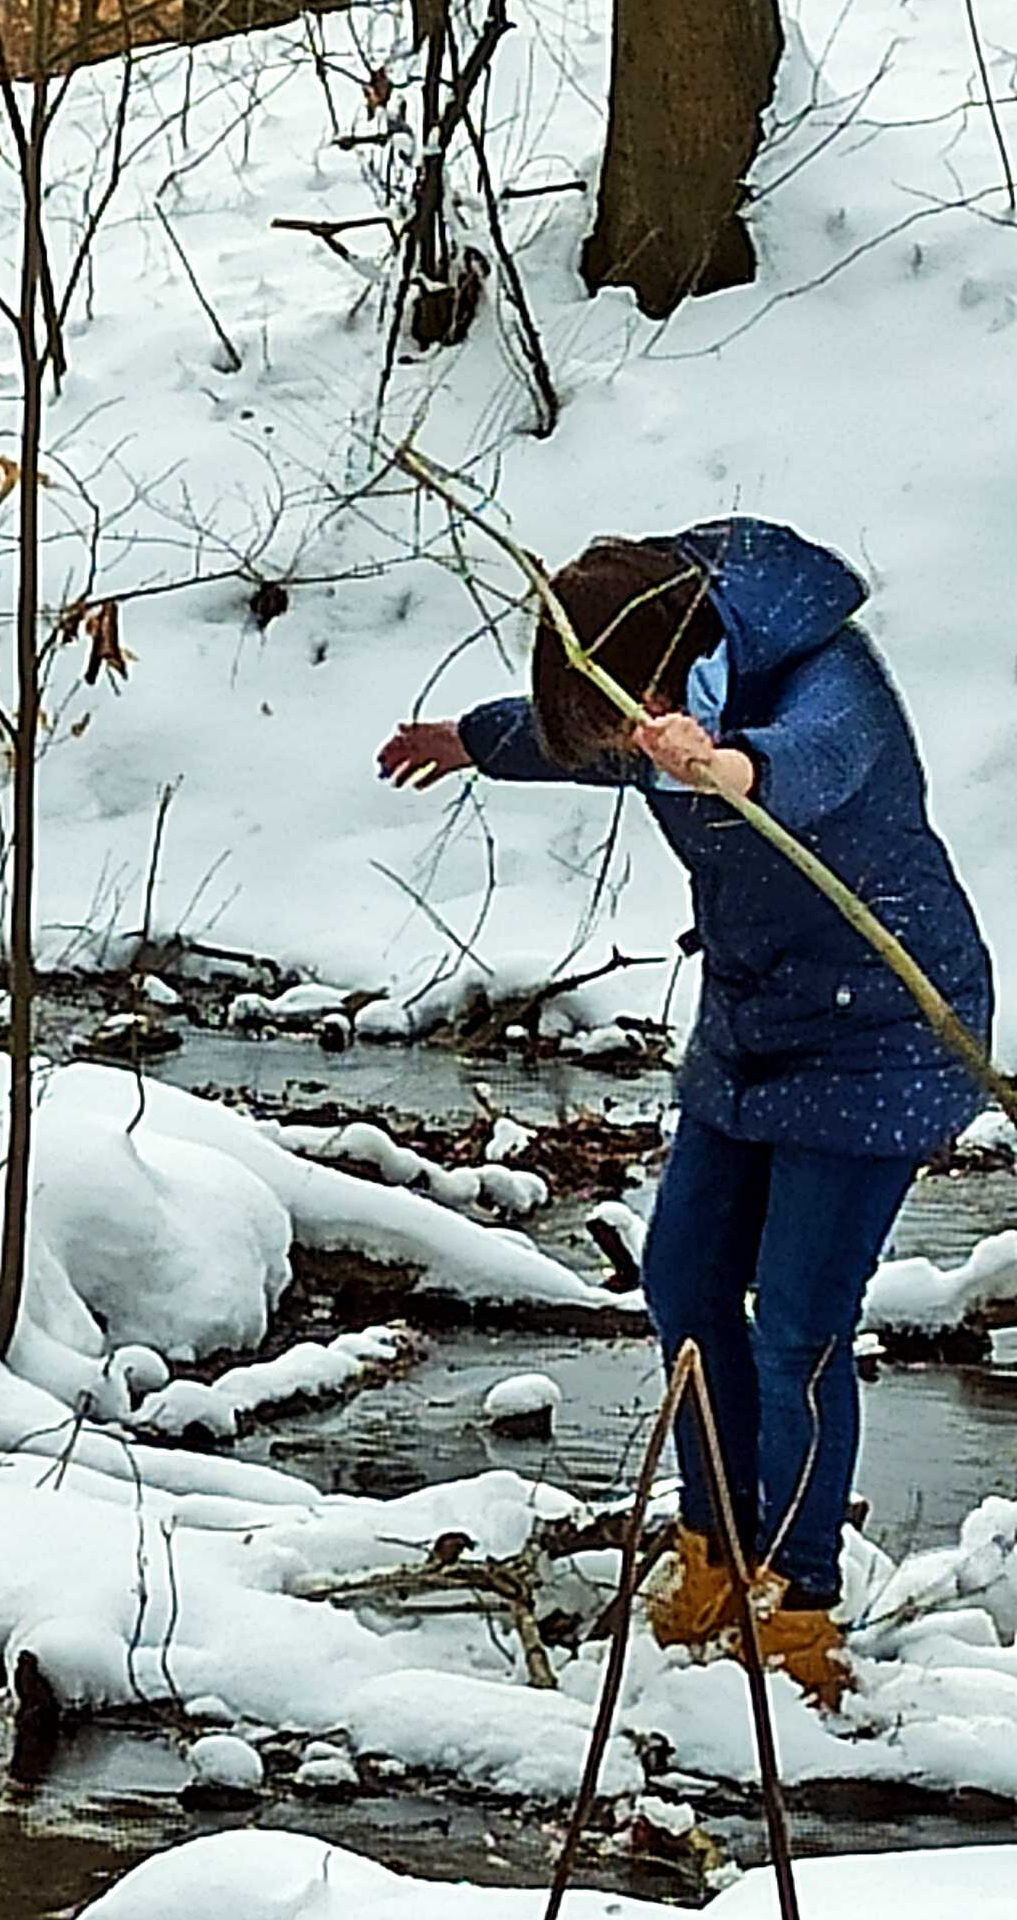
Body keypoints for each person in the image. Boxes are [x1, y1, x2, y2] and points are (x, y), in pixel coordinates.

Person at [378, 519, 992, 1706]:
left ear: (661, 676)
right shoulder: (644, 702)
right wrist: (467, 740)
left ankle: (798, 1600)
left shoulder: (823, 679)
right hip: (752, 1027)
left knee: (798, 1328)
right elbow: (576, 744)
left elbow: (811, 761)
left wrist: (729, 767)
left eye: (626, 728)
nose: (624, 754)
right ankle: (713, 1548)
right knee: (684, 1282)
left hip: (884, 1033)